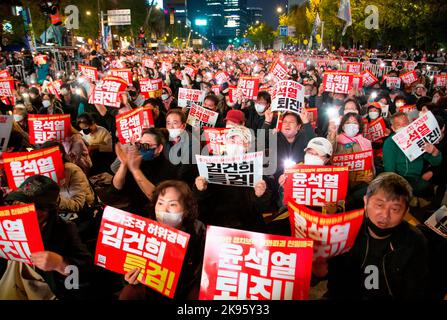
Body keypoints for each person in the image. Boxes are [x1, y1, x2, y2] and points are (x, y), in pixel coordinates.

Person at [324, 173, 429, 300]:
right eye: (379, 205)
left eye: (395, 209)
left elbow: (414, 291)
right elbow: (332, 282)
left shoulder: (414, 241)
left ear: (406, 212)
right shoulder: (343, 231)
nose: (385, 215)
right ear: (365, 201)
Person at [1, 175, 93, 300]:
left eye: (26, 206)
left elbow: (82, 278)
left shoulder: (64, 230)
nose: (18, 208)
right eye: (17, 202)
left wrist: (60, 264)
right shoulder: (7, 223)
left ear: (45, 211)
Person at [119, 180, 206, 300]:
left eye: (173, 204)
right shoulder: (144, 230)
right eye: (160, 203)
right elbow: (129, 266)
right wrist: (129, 278)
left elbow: (204, 270)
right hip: (152, 290)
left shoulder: (198, 230)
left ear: (186, 210)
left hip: (185, 289)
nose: (164, 210)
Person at [194, 125, 273, 232]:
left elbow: (263, 208)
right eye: (232, 140)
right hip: (216, 225)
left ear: (248, 146)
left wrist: (260, 196)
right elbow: (199, 202)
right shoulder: (211, 164)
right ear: (226, 143)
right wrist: (199, 189)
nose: (235, 145)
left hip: (245, 227)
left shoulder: (257, 169)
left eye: (240, 142)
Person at [111, 128, 178, 216]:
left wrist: (136, 171)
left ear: (159, 148)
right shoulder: (136, 160)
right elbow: (117, 187)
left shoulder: (169, 168)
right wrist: (124, 164)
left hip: (154, 215)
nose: (141, 149)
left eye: (146, 145)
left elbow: (157, 198)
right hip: (133, 211)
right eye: (139, 145)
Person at [383, 112, 442, 198]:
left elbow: (435, 162)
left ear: (410, 124)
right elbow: (390, 169)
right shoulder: (390, 143)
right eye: (398, 125)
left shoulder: (417, 138)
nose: (403, 127)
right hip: (400, 179)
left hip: (417, 177)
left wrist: (434, 152)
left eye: (405, 123)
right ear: (393, 128)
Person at [41, 141, 95, 221]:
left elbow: (78, 204)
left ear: (60, 155)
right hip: (57, 210)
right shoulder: (42, 171)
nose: (44, 160)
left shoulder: (71, 170)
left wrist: (53, 199)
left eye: (48, 156)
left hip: (79, 214)